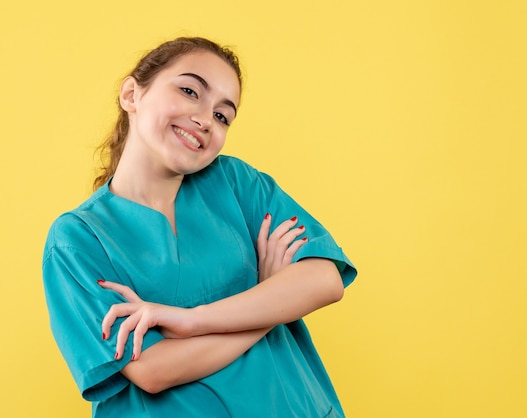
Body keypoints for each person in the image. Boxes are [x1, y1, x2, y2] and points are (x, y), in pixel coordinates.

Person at [42, 37, 357, 418]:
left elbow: (324, 280)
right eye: (190, 91)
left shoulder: (238, 183)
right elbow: (152, 369)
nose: (205, 120)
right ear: (131, 94)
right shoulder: (78, 239)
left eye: (223, 116)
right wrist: (269, 300)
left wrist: (189, 321)